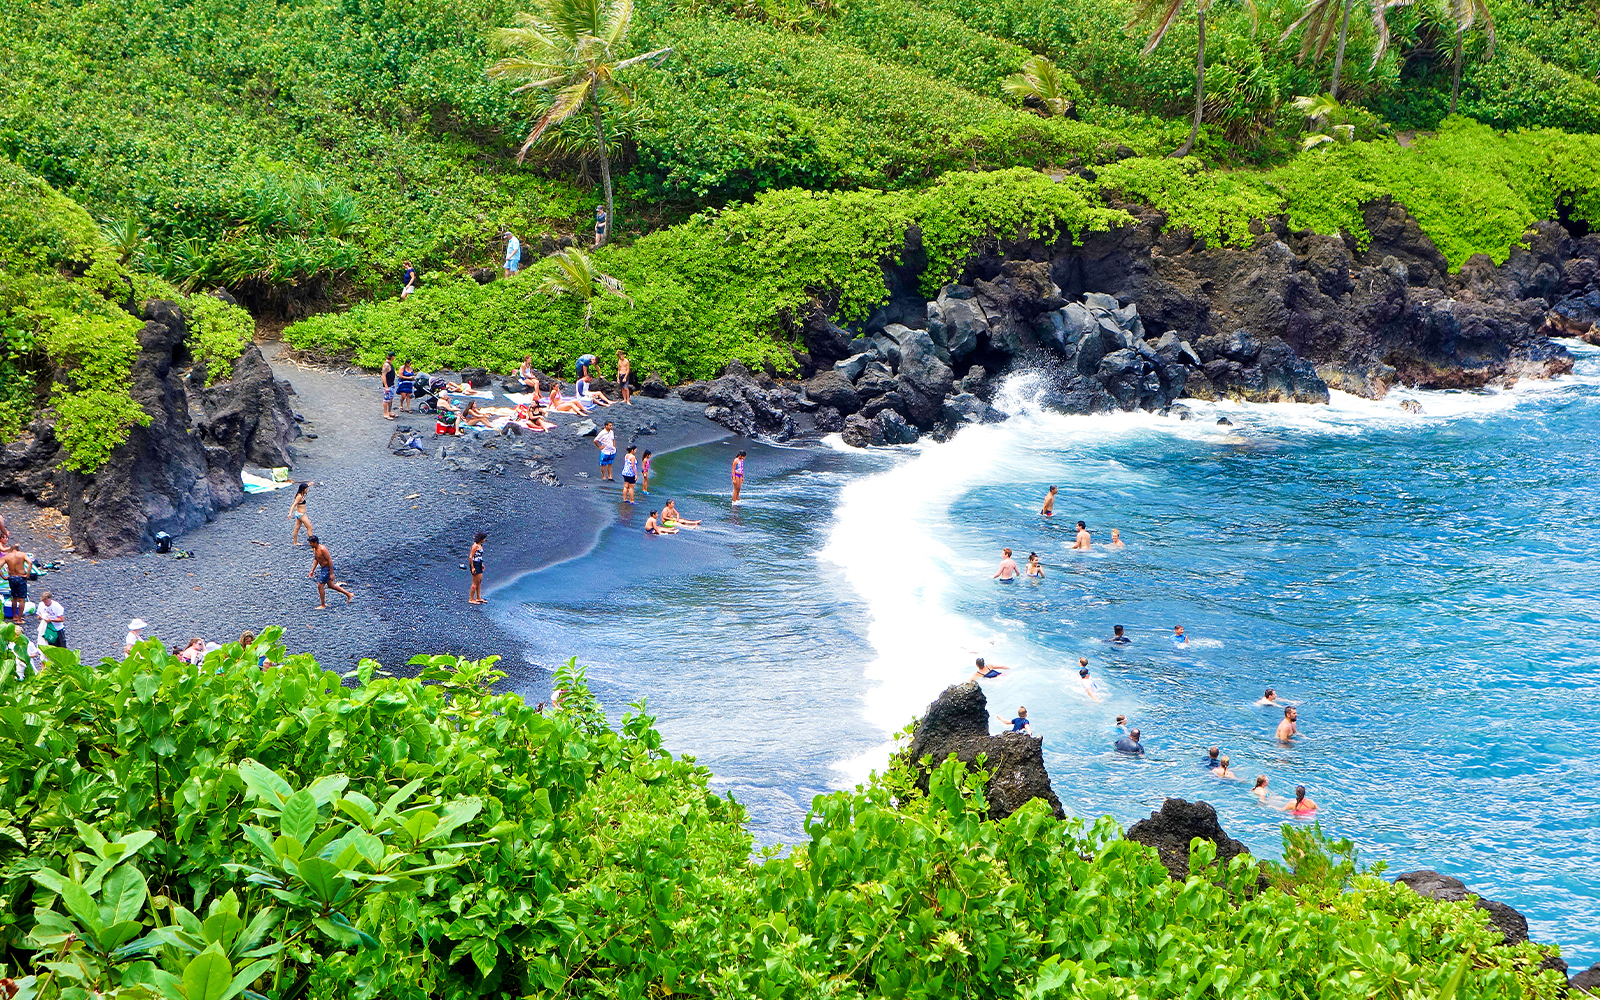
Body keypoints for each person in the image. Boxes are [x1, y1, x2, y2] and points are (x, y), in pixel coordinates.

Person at [307, 535, 355, 609]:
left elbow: (329, 560)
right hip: (323, 568)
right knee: (331, 585)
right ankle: (348, 594)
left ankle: (323, 605)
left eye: (311, 543)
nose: (310, 545)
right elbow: (316, 559)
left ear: (315, 542)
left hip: (327, 569)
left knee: (320, 585)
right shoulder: (314, 549)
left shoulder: (322, 549)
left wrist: (331, 573)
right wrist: (312, 570)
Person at [3, 544, 29, 622]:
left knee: (14, 597)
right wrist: (27, 574)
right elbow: (30, 562)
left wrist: (4, 577)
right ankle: (19, 619)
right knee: (21, 599)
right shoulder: (22, 554)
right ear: (18, 549)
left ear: (11, 549)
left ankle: (14, 616)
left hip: (12, 578)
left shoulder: (7, 556)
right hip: (21, 577)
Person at [468, 531, 487, 605]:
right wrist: (472, 567)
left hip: (479, 563)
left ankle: (478, 597)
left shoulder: (480, 545)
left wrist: (481, 564)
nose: (485, 540)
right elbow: (471, 556)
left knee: (479, 581)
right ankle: (471, 599)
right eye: (484, 538)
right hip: (475, 564)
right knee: (475, 582)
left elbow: (479, 556)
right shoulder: (475, 546)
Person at [381, 352, 397, 420]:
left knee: (390, 399)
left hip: (391, 384)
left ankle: (389, 411)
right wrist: (386, 386)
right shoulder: (386, 365)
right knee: (386, 399)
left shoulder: (390, 364)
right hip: (388, 385)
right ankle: (385, 413)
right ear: (392, 357)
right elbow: (383, 376)